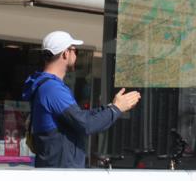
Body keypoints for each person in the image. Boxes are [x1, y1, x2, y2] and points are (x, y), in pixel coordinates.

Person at [23, 30, 141, 168]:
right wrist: (116, 109)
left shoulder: (48, 86)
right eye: (75, 51)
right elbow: (85, 124)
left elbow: (79, 117)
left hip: (57, 172)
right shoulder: (52, 89)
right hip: (60, 176)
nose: (76, 55)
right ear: (65, 53)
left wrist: (111, 107)